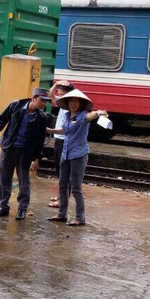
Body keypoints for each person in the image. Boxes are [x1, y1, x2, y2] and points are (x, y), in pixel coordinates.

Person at [0, 88, 50, 220]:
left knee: (24, 180)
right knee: (4, 177)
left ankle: (22, 209)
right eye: (42, 100)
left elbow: (40, 140)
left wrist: (37, 158)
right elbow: (1, 120)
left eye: (46, 101)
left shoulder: (41, 118)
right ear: (33, 98)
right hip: (9, 147)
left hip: (25, 152)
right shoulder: (16, 105)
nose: (44, 104)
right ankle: (3, 206)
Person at [46, 89, 107, 226]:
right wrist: (51, 131)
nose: (73, 104)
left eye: (76, 102)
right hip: (66, 153)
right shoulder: (67, 116)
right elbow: (65, 130)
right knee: (62, 185)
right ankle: (62, 214)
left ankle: (80, 218)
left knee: (76, 187)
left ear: (80, 103)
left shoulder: (83, 116)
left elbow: (91, 116)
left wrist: (98, 112)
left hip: (78, 155)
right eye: (71, 101)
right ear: (67, 103)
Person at [47, 81, 74, 208]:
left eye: (62, 91)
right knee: (59, 170)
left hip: (64, 140)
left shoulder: (70, 106)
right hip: (58, 139)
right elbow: (50, 94)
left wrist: (50, 130)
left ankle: (63, 200)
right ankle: (60, 195)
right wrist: (56, 83)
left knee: (64, 172)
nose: (59, 93)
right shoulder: (63, 103)